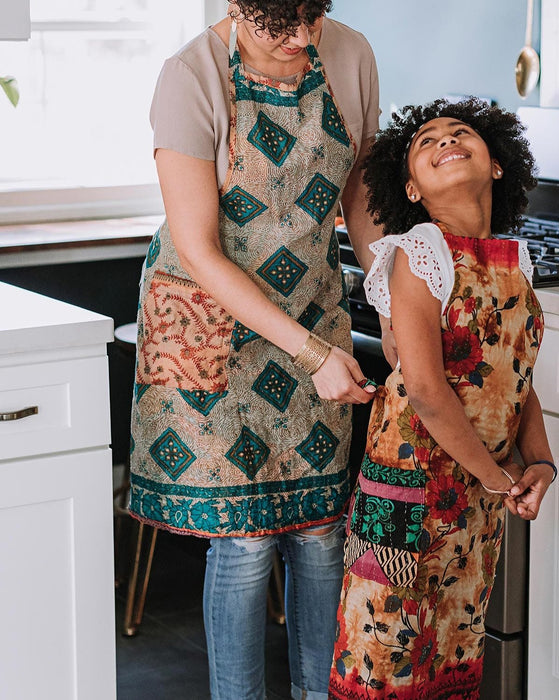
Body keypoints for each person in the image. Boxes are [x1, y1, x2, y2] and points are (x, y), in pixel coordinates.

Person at [128, 2, 393, 698]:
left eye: (313, 15)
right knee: (244, 543)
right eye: (281, 24)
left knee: (319, 531)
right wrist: (312, 354)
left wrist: (388, 298)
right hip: (212, 323)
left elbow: (361, 190)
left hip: (311, 304)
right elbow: (200, 250)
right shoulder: (190, 77)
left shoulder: (352, 54)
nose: (304, 39)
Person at [328, 97, 556, 699]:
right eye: (425, 142)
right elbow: (426, 390)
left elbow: (516, 376)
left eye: (460, 133)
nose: (445, 141)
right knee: (384, 656)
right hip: (412, 483)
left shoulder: (516, 258)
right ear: (409, 188)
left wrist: (540, 462)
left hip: (476, 491)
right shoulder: (421, 248)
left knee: (453, 648)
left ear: (498, 165)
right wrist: (501, 480)